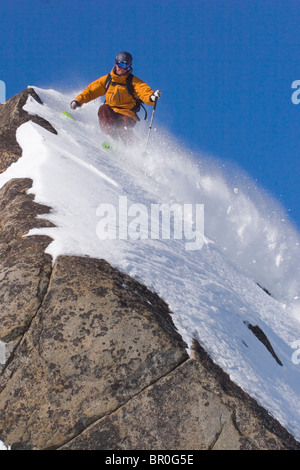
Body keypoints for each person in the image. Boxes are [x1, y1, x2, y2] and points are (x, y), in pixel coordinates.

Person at [70, 51, 161, 145]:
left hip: (127, 113)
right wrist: (78, 100)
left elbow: (143, 91)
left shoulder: (133, 82)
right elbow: (91, 91)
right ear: (116, 63)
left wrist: (151, 97)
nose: (122, 69)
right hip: (111, 111)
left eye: (126, 67)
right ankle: (110, 140)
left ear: (129, 68)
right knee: (103, 109)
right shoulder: (107, 80)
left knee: (123, 128)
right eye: (120, 65)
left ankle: (133, 147)